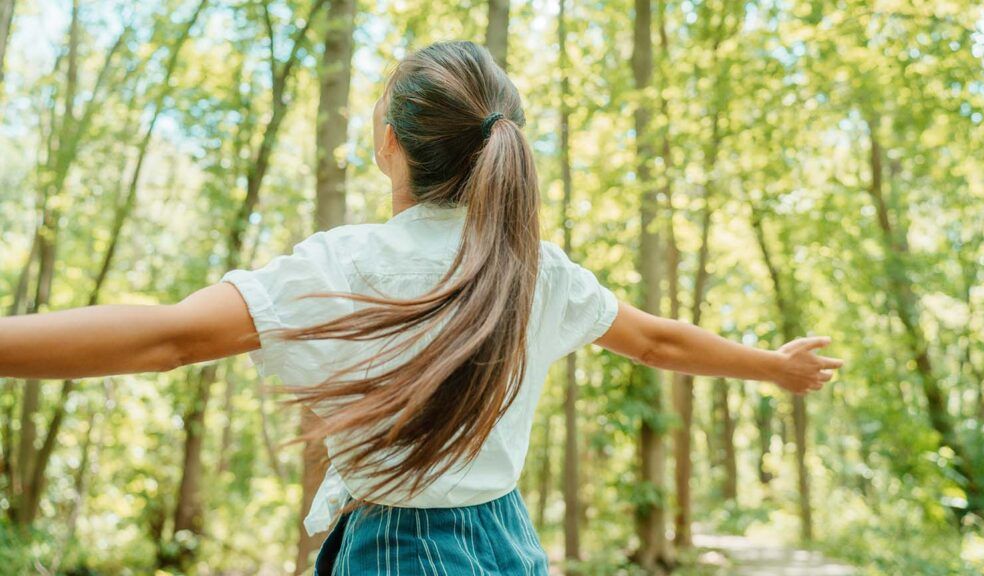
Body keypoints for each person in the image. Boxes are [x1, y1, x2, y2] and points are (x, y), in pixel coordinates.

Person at [0, 40, 842, 575]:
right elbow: (658, 342)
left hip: (398, 552)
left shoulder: (345, 263)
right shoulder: (536, 271)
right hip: (508, 543)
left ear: (390, 143)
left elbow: (167, 338)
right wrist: (772, 364)